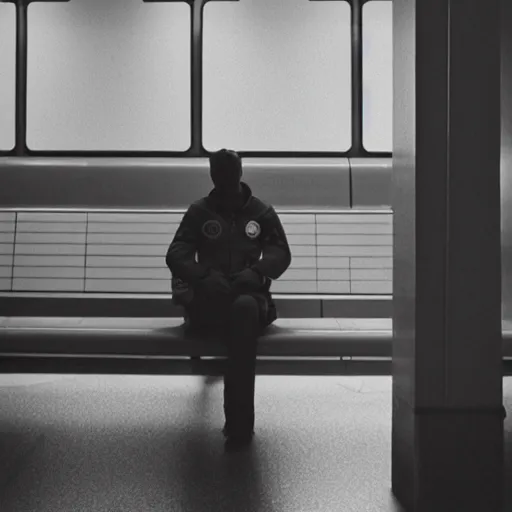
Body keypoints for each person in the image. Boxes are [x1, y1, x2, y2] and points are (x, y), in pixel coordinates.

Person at [166, 149, 292, 451]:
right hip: (211, 300)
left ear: (239, 172)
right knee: (243, 318)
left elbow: (279, 253)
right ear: (212, 175)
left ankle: (238, 426)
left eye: (228, 171)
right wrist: (203, 276)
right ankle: (239, 427)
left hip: (248, 297)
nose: (223, 177)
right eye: (218, 171)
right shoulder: (199, 212)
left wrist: (258, 273)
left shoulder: (260, 213)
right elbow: (177, 254)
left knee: (245, 309)